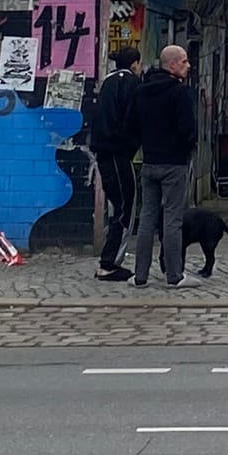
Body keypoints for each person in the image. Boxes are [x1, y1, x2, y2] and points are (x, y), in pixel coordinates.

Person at [129, 45, 199, 288]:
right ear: (172, 65)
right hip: (174, 164)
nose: (188, 66)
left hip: (149, 161)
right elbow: (188, 129)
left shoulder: (142, 91)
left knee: (147, 218)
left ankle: (140, 276)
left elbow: (132, 124)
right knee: (172, 219)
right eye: (184, 62)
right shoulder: (179, 93)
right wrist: (186, 147)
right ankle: (174, 275)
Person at [89, 47, 143, 281]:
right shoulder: (130, 84)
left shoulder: (108, 84)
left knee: (118, 204)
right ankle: (109, 262)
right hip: (118, 152)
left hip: (103, 151)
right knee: (125, 206)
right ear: (134, 64)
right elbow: (133, 117)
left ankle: (109, 260)